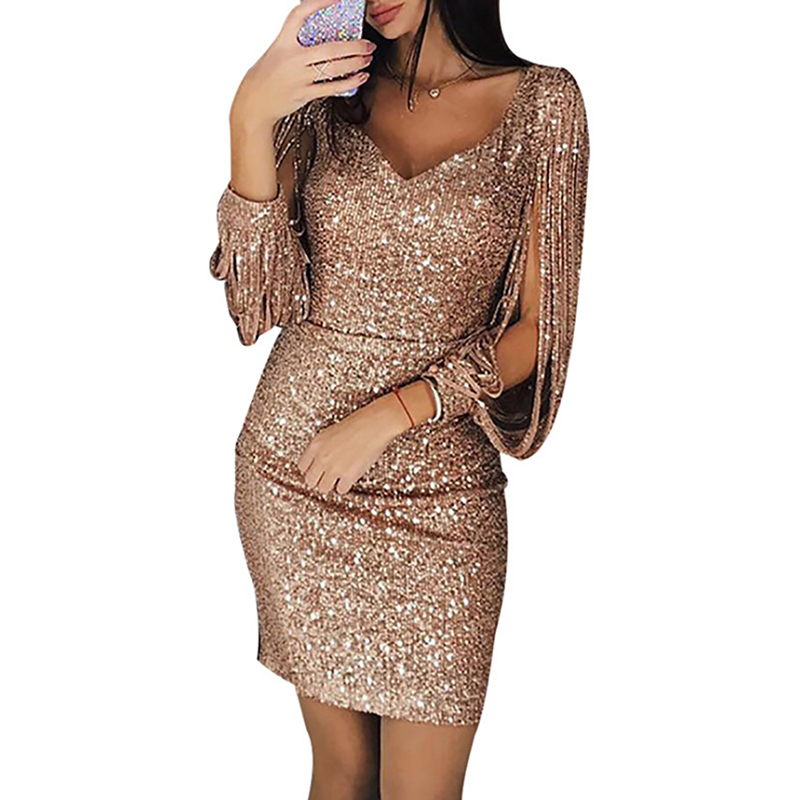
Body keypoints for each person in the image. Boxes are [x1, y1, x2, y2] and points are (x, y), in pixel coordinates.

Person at [209, 0, 589, 796]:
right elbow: (257, 304)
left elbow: (538, 330)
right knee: (343, 772)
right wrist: (250, 114)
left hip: (444, 494)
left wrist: (398, 410)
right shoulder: (321, 100)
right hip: (301, 474)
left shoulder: (545, 105)